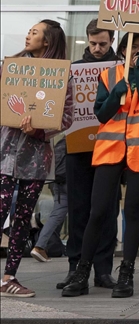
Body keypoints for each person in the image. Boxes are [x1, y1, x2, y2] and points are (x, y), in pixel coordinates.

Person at [62, 32, 139, 298]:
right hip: (111, 150)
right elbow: (101, 113)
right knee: (98, 211)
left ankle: (126, 275)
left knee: (132, 211)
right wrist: (116, 93)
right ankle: (81, 273)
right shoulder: (109, 76)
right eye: (134, 47)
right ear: (123, 50)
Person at [0, 20, 74, 298]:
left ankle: (9, 278)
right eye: (29, 31)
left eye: (34, 32)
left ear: (47, 41)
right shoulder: (11, 68)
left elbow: (67, 117)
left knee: (22, 219)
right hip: (4, 153)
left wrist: (40, 130)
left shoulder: (63, 77)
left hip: (36, 160)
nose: (28, 35)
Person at [59, 19, 120, 291]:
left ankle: (103, 270)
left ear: (112, 41)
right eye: (93, 43)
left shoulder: (120, 70)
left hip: (110, 148)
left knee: (106, 210)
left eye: (103, 44)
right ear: (87, 39)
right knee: (78, 208)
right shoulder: (72, 70)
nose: (97, 48)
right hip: (78, 148)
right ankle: (75, 267)